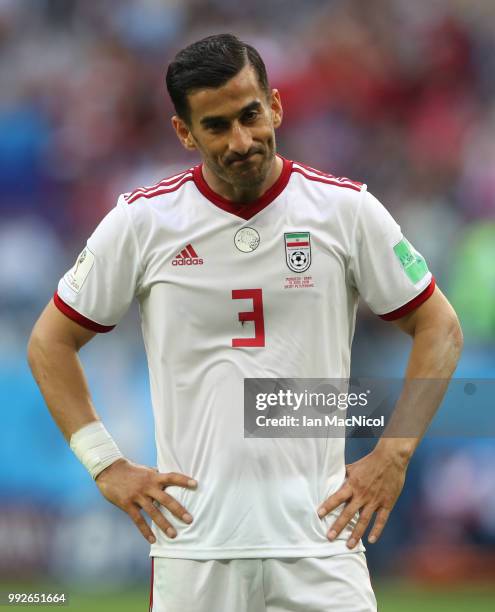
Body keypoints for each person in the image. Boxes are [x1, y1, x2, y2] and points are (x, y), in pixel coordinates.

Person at [27, 33, 463, 612]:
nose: (241, 140)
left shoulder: (344, 211)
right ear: (185, 132)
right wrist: (106, 465)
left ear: (275, 105)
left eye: (251, 115)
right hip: (195, 548)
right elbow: (49, 343)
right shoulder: (143, 223)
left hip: (321, 543)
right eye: (216, 126)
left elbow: (442, 328)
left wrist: (394, 454)